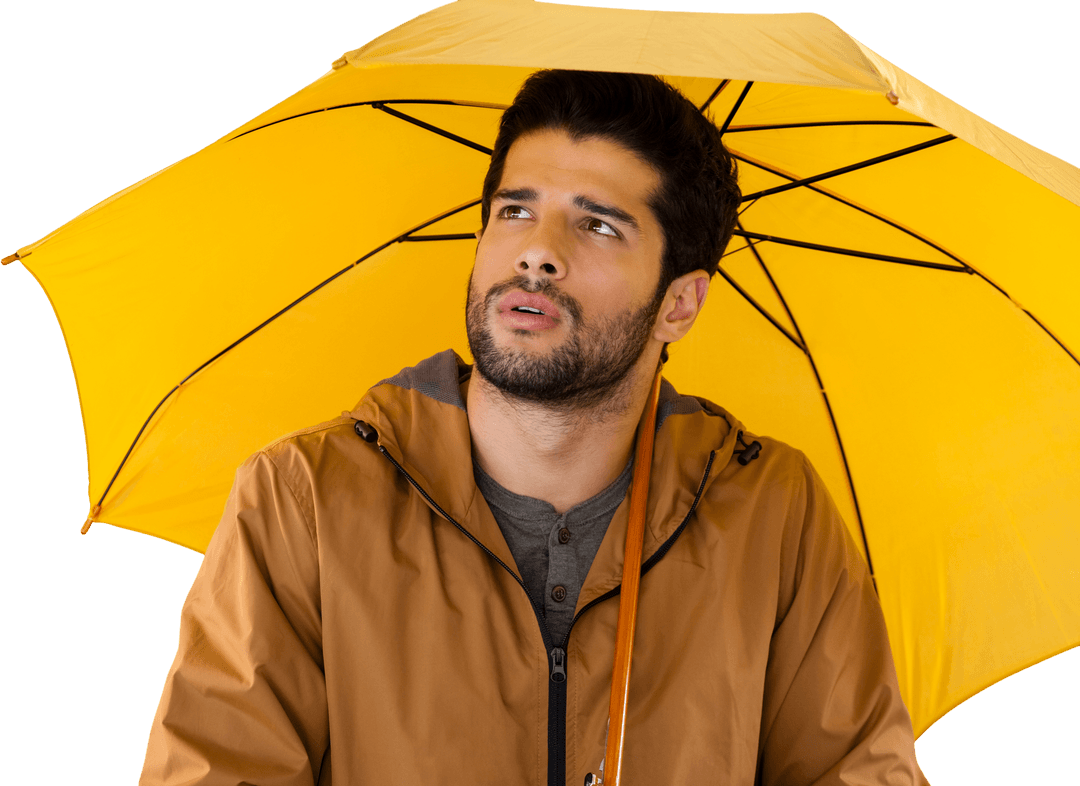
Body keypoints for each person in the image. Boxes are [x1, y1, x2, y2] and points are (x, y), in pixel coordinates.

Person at [140, 70, 926, 785]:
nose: (538, 256)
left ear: (679, 304)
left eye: (599, 227)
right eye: (516, 211)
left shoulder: (775, 515)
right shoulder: (304, 500)